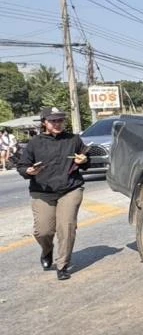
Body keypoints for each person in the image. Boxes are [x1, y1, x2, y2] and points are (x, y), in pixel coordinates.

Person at [15, 107, 89, 280]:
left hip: (70, 189)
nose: (57, 124)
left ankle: (62, 265)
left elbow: (85, 159)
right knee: (43, 231)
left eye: (60, 120)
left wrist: (84, 160)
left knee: (67, 227)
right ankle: (47, 250)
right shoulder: (35, 143)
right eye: (52, 121)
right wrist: (29, 170)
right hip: (43, 192)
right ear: (44, 123)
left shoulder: (74, 140)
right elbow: (22, 166)